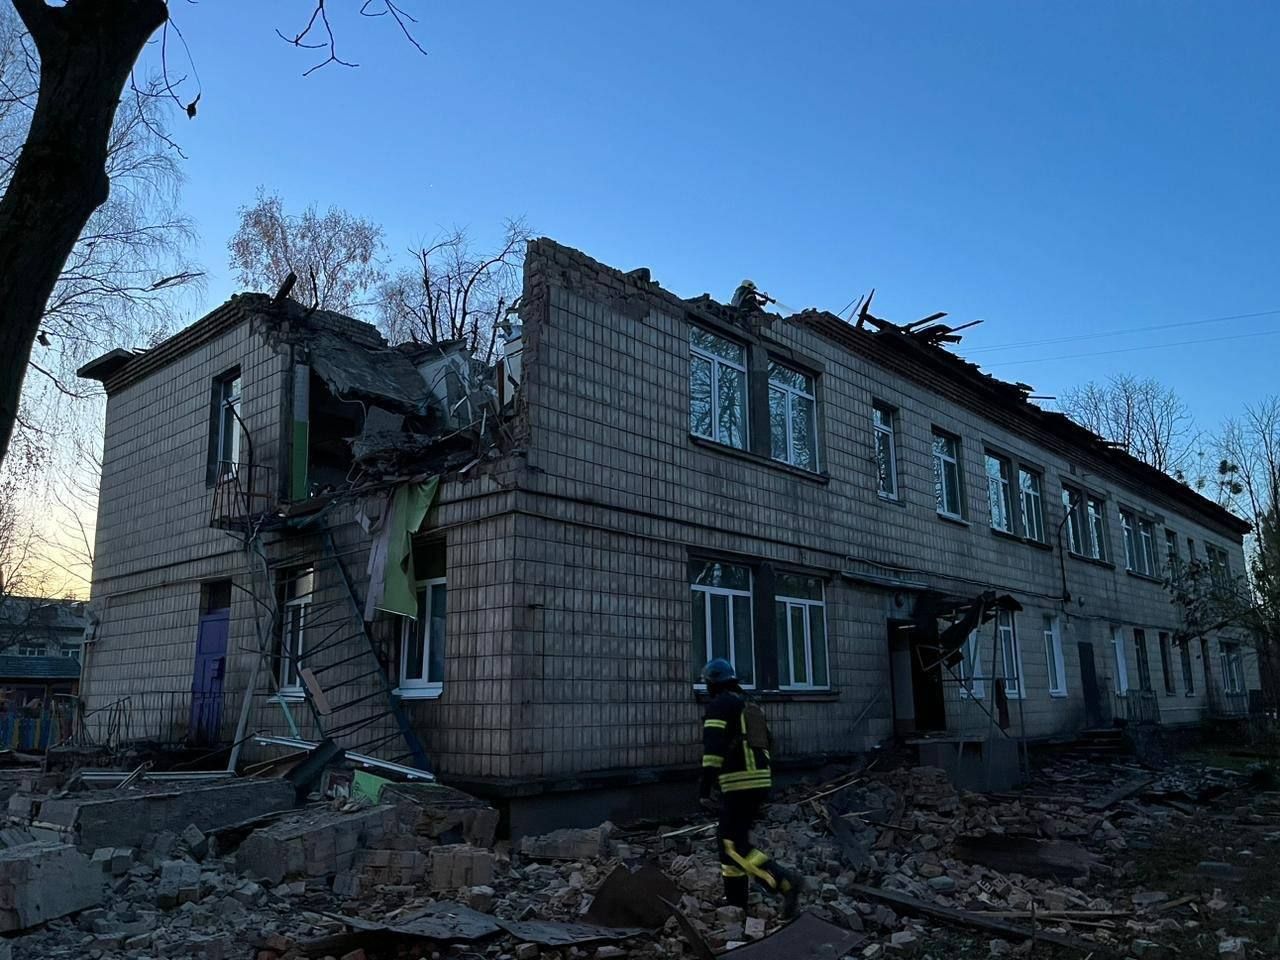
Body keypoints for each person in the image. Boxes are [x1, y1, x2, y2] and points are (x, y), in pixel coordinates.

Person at [699, 657, 802, 915]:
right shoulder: (748, 704)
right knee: (732, 841)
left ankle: (784, 882)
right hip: (758, 781)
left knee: (731, 844)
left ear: (712, 684)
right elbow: (769, 742)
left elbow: (712, 751)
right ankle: (736, 903)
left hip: (739, 783)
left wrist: (704, 790)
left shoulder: (720, 705)